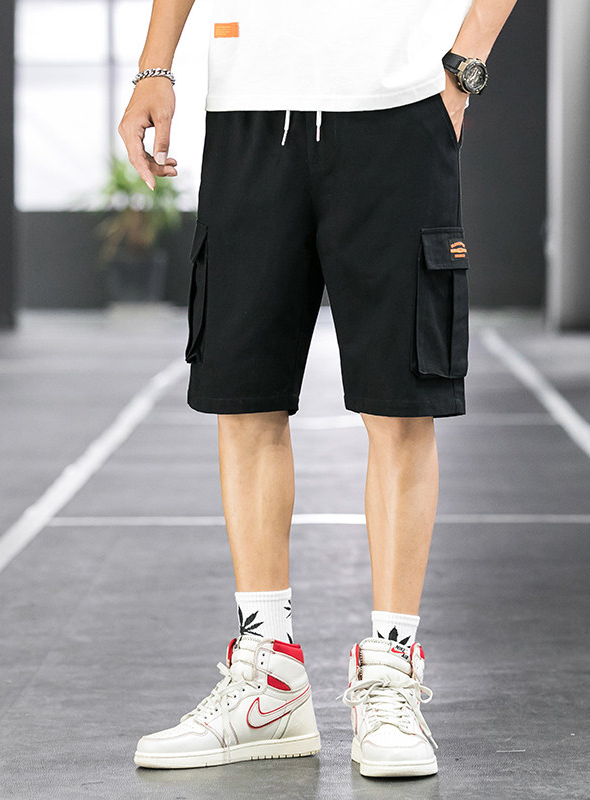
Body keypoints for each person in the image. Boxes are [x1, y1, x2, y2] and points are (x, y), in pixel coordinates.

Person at [119, 0, 518, 778]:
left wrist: (462, 70)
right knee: (244, 398)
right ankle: (269, 680)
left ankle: (391, 673)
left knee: (402, 405)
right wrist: (155, 65)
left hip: (400, 106)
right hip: (248, 109)